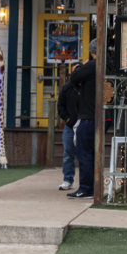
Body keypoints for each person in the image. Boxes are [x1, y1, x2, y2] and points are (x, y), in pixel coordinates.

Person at [66, 38, 114, 199]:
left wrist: (81, 66)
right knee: (94, 153)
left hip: (90, 116)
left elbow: (74, 78)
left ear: (92, 51)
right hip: (105, 116)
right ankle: (95, 187)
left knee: (84, 153)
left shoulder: (94, 65)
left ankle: (86, 188)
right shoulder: (110, 65)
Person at [56, 62, 82, 191]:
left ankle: (86, 182)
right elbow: (60, 105)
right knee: (68, 154)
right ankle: (68, 180)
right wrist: (67, 118)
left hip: (84, 125)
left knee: (86, 155)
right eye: (73, 71)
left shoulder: (88, 87)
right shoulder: (67, 87)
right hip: (70, 126)